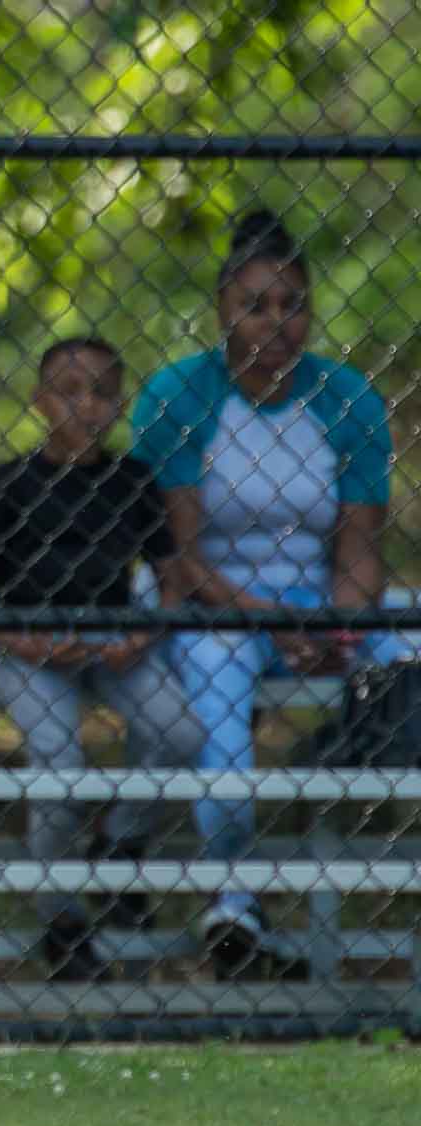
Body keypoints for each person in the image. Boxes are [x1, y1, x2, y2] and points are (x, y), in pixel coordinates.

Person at [131, 209, 411, 980]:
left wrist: (342, 627)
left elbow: (359, 549)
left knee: (408, 647)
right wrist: (279, 624)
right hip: (212, 598)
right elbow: (179, 559)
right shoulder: (179, 393)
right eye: (256, 304)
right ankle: (233, 899)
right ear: (222, 308)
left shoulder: (346, 396)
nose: (276, 322)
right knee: (221, 691)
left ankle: (363, 788)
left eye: (292, 304)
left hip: (319, 598)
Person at [0, 338, 205, 981]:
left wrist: (143, 637)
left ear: (118, 405)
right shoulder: (10, 483)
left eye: (100, 392)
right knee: (60, 765)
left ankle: (119, 844)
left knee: (179, 733)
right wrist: (25, 641)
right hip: (33, 651)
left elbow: (171, 575)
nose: (84, 405)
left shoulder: (131, 481)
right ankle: (61, 918)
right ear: (40, 402)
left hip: (114, 643)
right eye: (69, 391)